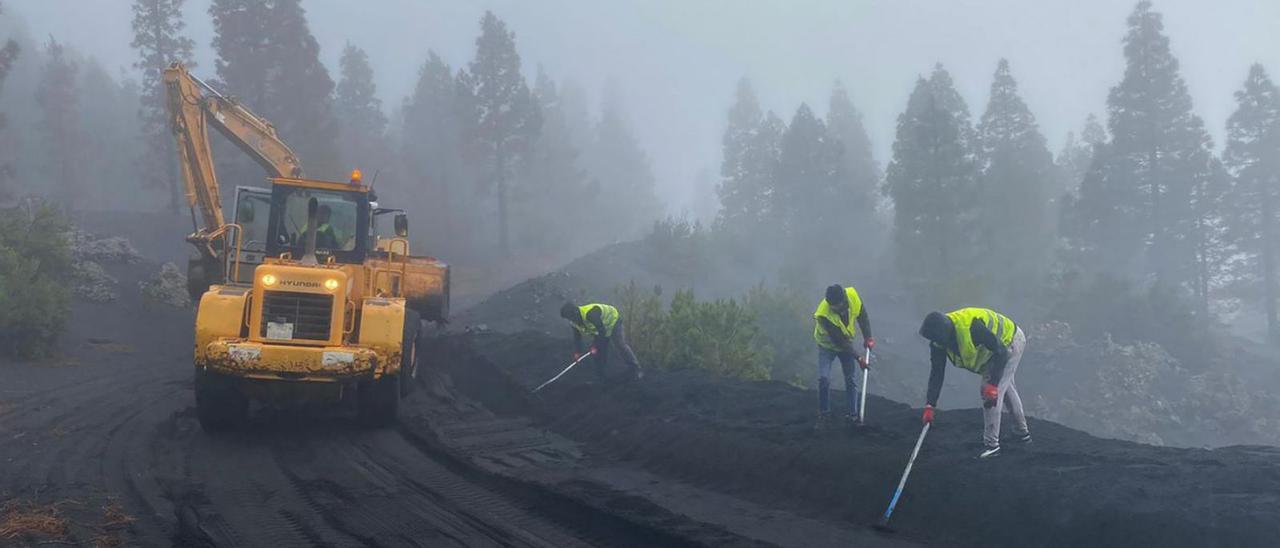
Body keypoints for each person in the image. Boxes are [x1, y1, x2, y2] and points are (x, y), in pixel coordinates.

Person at [918, 307, 1030, 459]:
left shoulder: (972, 328)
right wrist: (930, 405)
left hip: (1010, 341)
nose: (934, 342)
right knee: (1006, 387)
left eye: (936, 339)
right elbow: (937, 373)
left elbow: (1001, 352)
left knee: (989, 391)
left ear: (944, 335)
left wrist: (993, 384)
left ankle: (992, 446)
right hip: (999, 349)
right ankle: (1022, 433)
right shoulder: (939, 341)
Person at [812, 284, 874, 429]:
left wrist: (868, 337)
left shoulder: (852, 296)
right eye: (831, 306)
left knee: (850, 378)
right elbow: (840, 341)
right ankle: (824, 415)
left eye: (835, 306)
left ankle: (853, 415)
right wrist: (859, 358)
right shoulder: (823, 314)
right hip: (827, 346)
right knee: (824, 378)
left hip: (845, 343)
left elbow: (862, 315)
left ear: (843, 301)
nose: (832, 308)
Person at [560, 301, 643, 382]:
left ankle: (635, 368)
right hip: (601, 329)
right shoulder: (574, 322)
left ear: (575, 312)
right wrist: (578, 352)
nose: (571, 320)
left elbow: (602, 331)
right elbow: (577, 337)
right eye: (568, 318)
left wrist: (595, 346)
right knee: (599, 351)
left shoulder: (590, 314)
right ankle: (600, 375)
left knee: (620, 344)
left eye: (570, 317)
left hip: (613, 322)